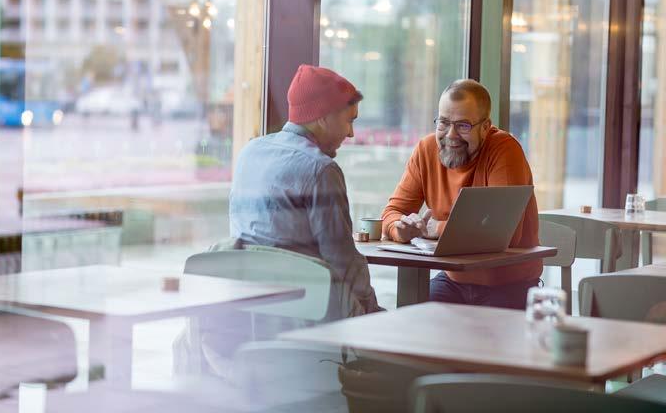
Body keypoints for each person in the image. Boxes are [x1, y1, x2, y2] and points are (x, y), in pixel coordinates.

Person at [230, 64, 381, 315]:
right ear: (323, 116)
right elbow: (342, 262)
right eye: (349, 121)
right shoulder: (320, 169)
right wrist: (372, 311)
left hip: (251, 313)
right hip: (308, 316)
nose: (351, 133)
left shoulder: (249, 153)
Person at [381, 79, 541, 309]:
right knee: (411, 323)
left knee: (480, 341)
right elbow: (392, 212)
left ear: (485, 127)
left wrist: (436, 228)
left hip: (510, 284)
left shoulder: (504, 149)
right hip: (454, 280)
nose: (451, 135)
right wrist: (400, 228)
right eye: (443, 123)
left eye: (463, 125)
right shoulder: (426, 150)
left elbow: (504, 233)